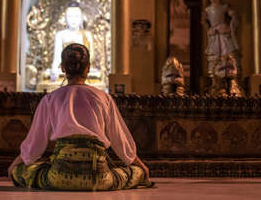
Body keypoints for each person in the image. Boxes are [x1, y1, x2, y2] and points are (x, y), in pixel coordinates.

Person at [8, 43, 153, 190]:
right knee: (135, 173)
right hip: (99, 178)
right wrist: (142, 167)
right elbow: (120, 140)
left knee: (24, 172)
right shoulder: (103, 97)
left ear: (63, 68)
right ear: (88, 68)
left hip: (58, 177)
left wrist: (14, 167)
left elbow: (34, 146)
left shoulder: (50, 99)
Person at [204, 0, 239, 80]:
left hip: (224, 36)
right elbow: (205, 23)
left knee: (227, 57)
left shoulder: (224, 7)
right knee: (214, 60)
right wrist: (209, 30)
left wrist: (229, 27)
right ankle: (215, 80)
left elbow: (234, 17)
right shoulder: (207, 10)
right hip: (214, 36)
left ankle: (229, 78)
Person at [50, 3, 94, 82]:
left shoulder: (87, 35)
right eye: (70, 16)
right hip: (66, 69)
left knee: (95, 75)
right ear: (65, 18)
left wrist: (83, 66)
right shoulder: (60, 35)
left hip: (83, 69)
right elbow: (57, 57)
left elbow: (91, 55)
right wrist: (54, 68)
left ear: (81, 18)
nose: (73, 20)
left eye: (76, 16)